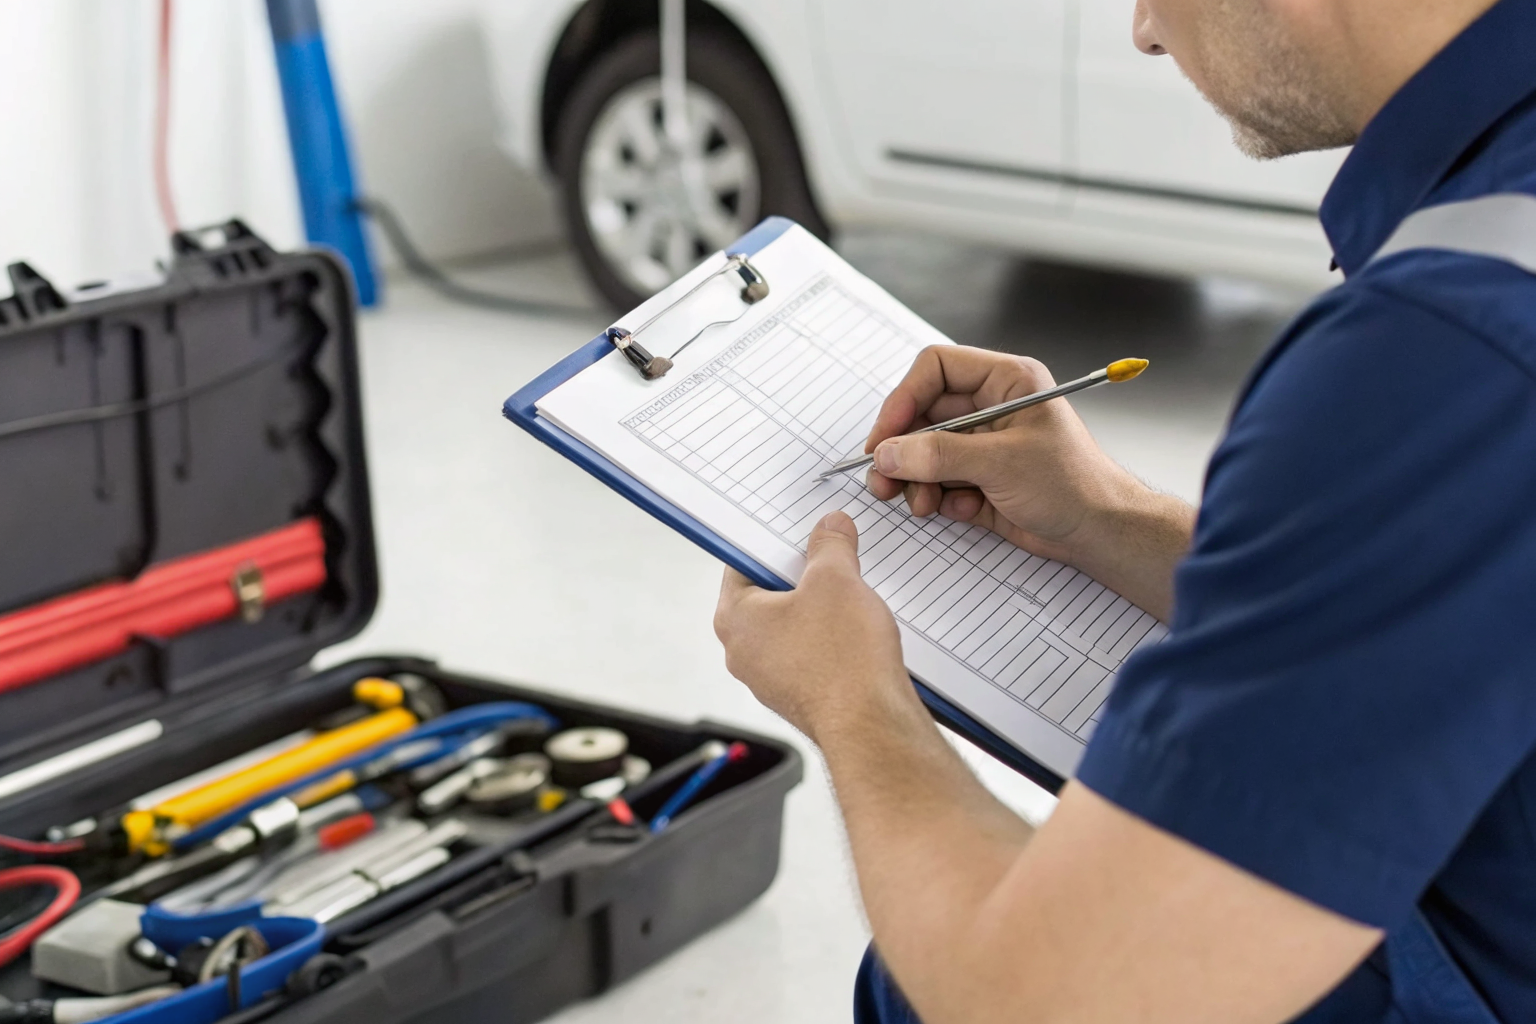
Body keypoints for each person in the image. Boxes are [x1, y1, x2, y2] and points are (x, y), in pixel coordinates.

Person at [711, 0, 1536, 1020]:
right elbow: (1469, 587)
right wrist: (1107, 515)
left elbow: (1045, 999)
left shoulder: (1445, 347)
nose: (1145, 31)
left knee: (922, 989)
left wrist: (851, 703)